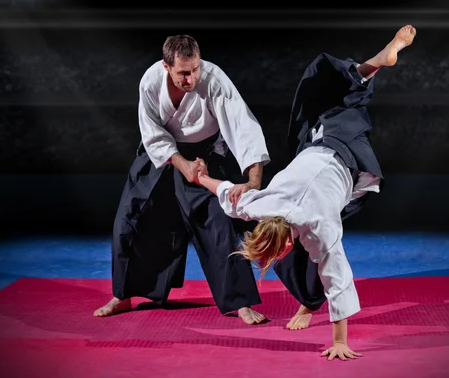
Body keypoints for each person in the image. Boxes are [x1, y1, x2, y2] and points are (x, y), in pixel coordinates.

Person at [195, 25, 417, 359]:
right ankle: (372, 66)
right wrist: (202, 180)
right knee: (334, 96)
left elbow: (337, 277)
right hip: (322, 143)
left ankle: (377, 62)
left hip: (344, 161)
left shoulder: (316, 226)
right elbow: (230, 198)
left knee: (341, 97)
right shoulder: (263, 205)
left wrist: (340, 341)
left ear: (286, 239)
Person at [94, 34, 270, 325]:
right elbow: (151, 132)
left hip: (204, 157)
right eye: (183, 73)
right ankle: (123, 295)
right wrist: (180, 163)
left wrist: (253, 181)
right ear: (166, 66)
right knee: (129, 219)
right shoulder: (150, 81)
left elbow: (243, 127)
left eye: (195, 69)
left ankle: (241, 303)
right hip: (162, 155)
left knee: (218, 224)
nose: (191, 78)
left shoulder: (214, 81)